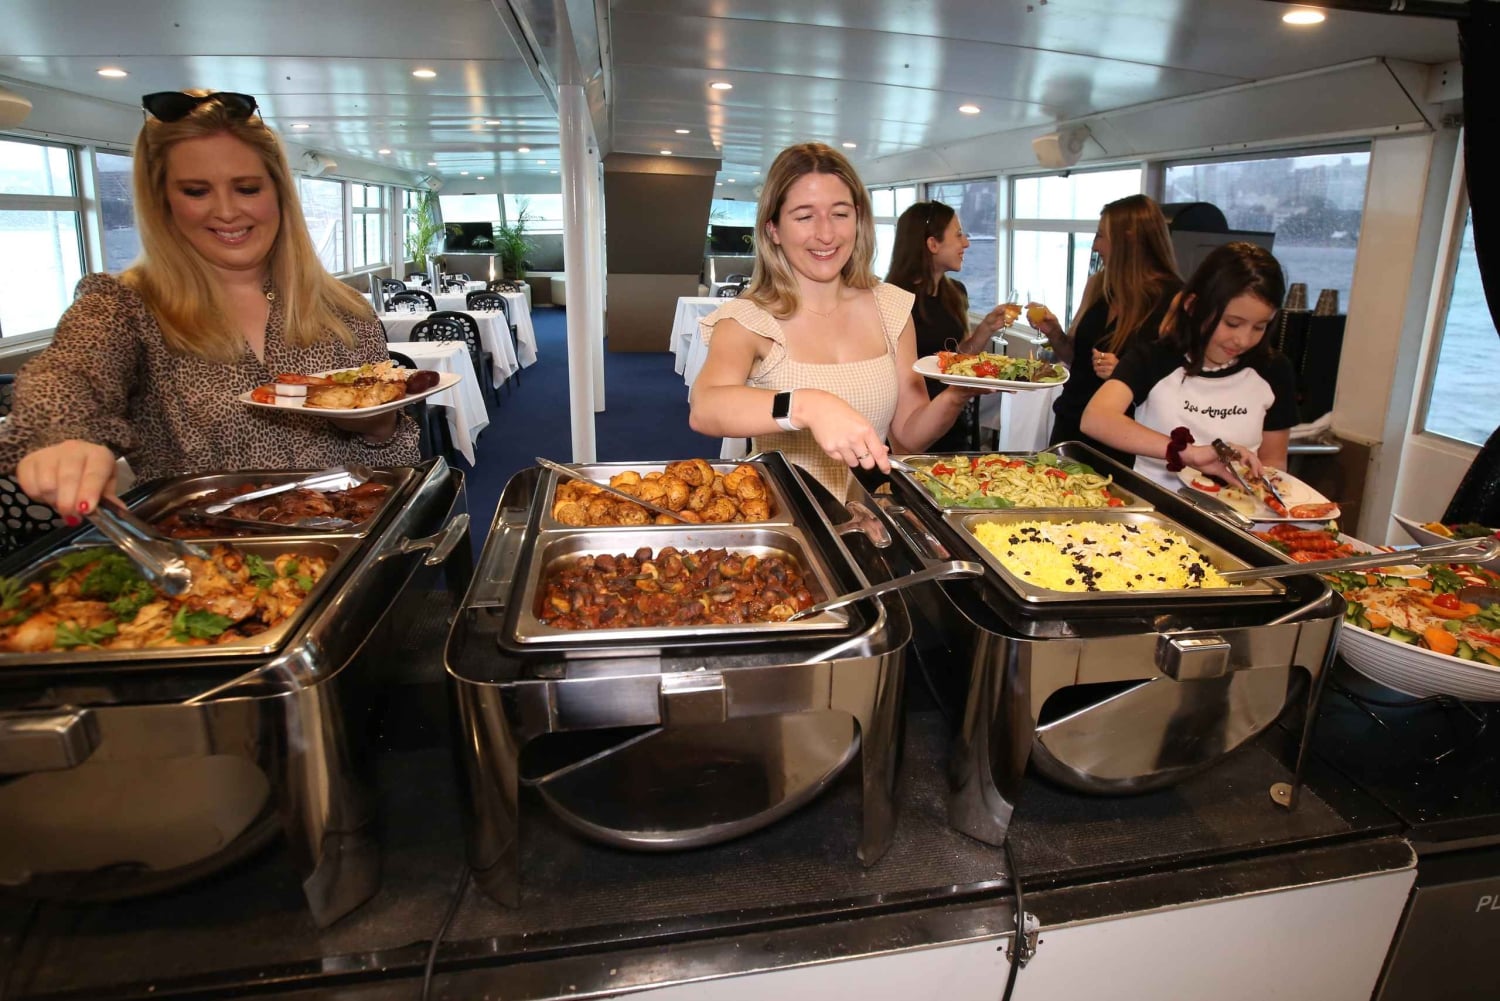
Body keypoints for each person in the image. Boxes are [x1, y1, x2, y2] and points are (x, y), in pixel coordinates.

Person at [0, 89, 417, 523]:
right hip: (208, 563)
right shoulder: (124, 307)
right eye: (197, 191)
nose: (227, 211)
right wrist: (66, 435)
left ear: (278, 192)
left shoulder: (345, 310)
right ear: (163, 201)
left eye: (247, 188)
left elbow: (396, 460)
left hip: (351, 553)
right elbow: (67, 372)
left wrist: (377, 428)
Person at [688, 143, 986, 499]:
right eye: (804, 216)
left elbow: (907, 434)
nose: (826, 234)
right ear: (774, 229)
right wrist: (807, 405)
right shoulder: (748, 318)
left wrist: (955, 395)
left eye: (840, 214)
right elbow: (705, 407)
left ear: (858, 220)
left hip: (868, 514)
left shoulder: (891, 309)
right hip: (786, 513)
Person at [1079, 241, 1297, 491]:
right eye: (1232, 323)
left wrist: (1265, 494)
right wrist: (1188, 453)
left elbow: (1274, 460)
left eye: (1259, 327)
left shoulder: (1274, 370)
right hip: (1156, 511)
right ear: (1193, 306)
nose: (1243, 340)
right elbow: (1096, 418)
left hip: (1236, 516)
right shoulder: (1154, 358)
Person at [1031, 194, 1181, 468]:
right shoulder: (1098, 286)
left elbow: (1177, 384)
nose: (1096, 246)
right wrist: (1055, 334)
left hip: (1120, 438)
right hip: (1070, 425)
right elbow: (1076, 357)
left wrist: (1125, 374)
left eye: (1101, 236)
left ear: (1129, 239)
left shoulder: (1173, 300)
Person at [884, 200, 1016, 453]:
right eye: (958, 235)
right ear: (932, 244)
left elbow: (959, 358)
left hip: (954, 412)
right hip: (913, 420)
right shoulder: (892, 300)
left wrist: (986, 328)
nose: (966, 243)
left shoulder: (956, 292)